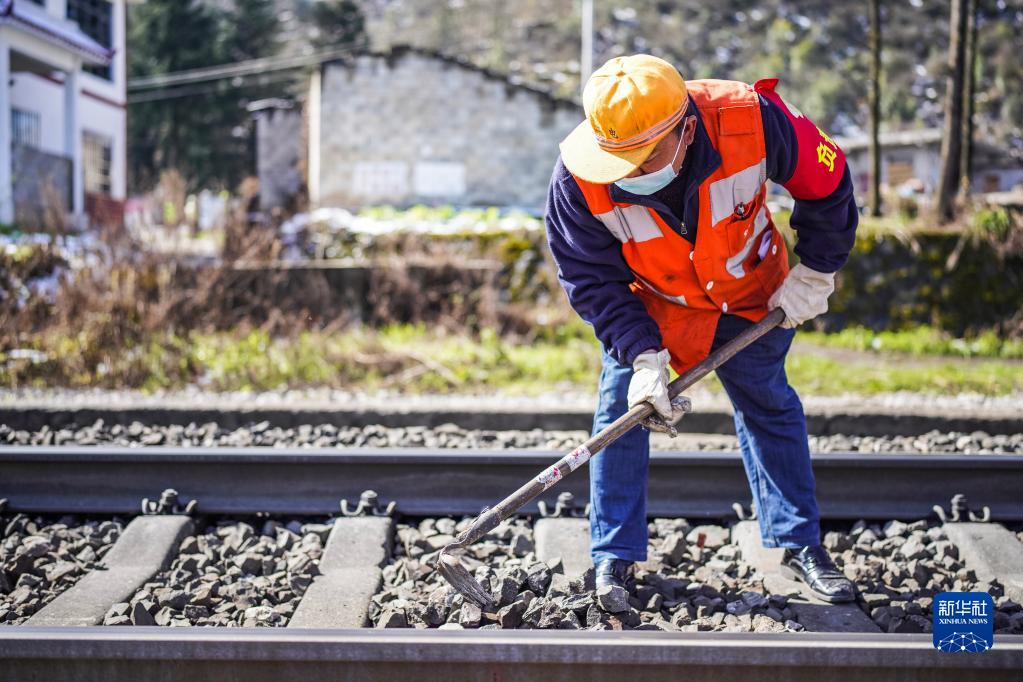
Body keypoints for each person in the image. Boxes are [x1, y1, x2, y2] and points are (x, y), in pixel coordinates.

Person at [544, 54, 859, 603]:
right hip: (655, 307)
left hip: (751, 289)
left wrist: (818, 269)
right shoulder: (576, 178)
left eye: (644, 158)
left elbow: (827, 181)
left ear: (686, 128)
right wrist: (642, 356)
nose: (629, 173)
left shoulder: (753, 118)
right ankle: (612, 558)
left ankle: (801, 542)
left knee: (769, 403)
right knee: (622, 411)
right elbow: (589, 279)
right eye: (618, 160)